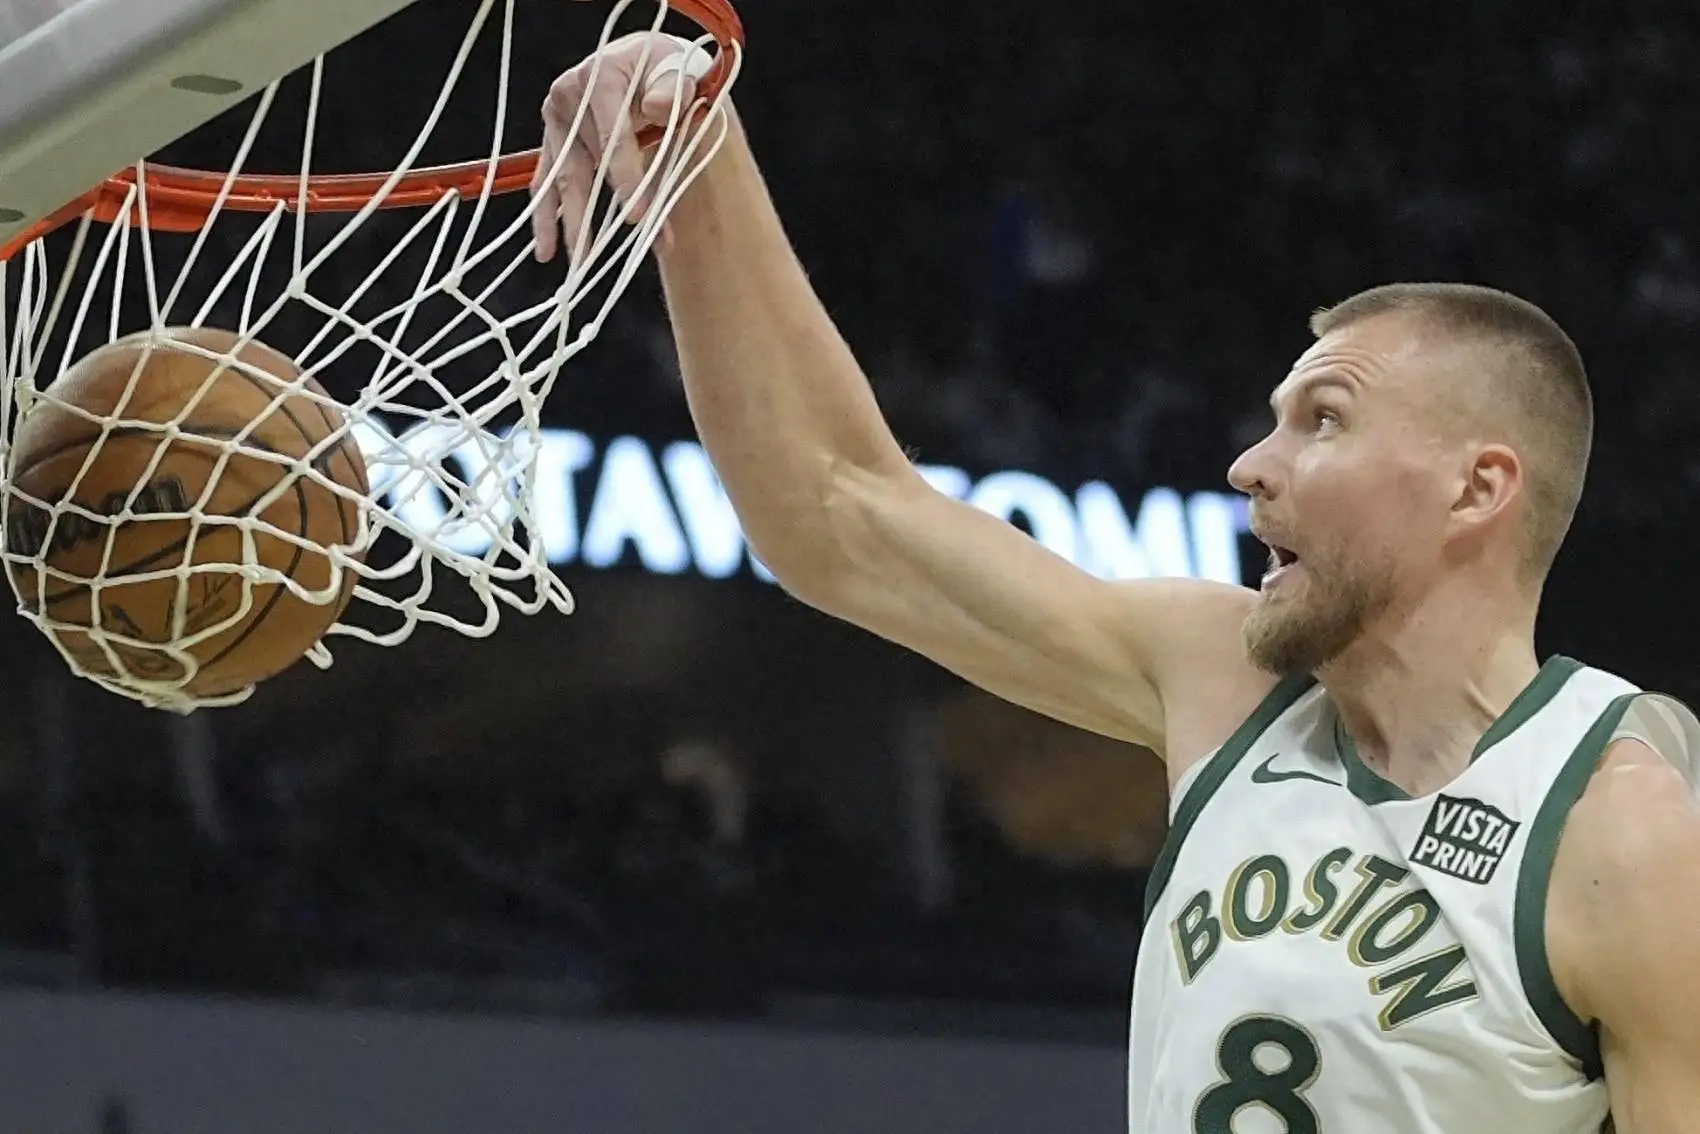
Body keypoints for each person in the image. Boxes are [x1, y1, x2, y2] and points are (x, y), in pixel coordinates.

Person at [531, 27, 1700, 1134]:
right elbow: (835, 514)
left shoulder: (1622, 833)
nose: (1250, 465)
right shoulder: (1220, 680)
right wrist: (698, 171)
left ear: (1473, 488)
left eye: (1322, 420)